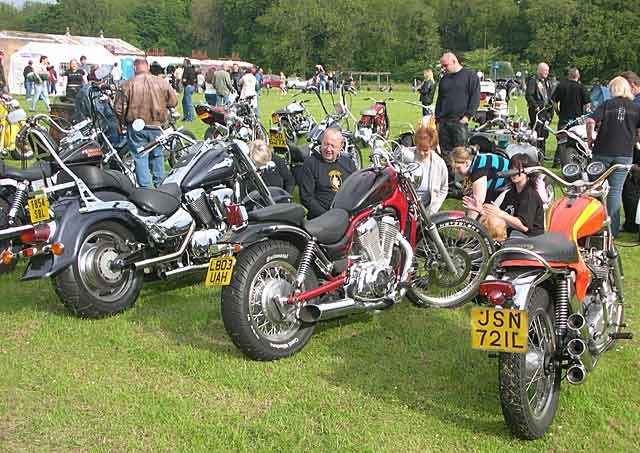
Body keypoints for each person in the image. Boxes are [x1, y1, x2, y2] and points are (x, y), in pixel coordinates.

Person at [586, 76, 640, 237]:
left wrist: (590, 139)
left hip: (602, 151)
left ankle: (592, 226)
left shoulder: (607, 105)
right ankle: (612, 231)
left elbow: (590, 121)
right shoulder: (635, 108)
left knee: (595, 188)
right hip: (624, 154)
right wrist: (635, 140)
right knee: (616, 191)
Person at [115, 58, 178, 188]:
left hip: (136, 126)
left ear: (134, 68)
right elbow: (173, 101)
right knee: (157, 155)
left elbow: (119, 109)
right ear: (148, 67)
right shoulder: (162, 83)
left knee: (140, 157)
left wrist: (121, 124)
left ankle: (145, 188)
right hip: (156, 124)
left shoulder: (127, 84)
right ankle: (160, 186)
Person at [465, 153, 544, 239]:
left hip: (528, 240)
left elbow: (524, 227)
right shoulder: (511, 193)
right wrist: (479, 209)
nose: (513, 172)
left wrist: (499, 213)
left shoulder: (529, 195)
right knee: (486, 221)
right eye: (511, 169)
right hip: (512, 236)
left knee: (493, 225)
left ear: (527, 172)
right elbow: (502, 215)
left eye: (517, 169)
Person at [299, 128, 356, 219]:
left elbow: (356, 191)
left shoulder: (349, 164)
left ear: (341, 146)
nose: (328, 149)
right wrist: (328, 217)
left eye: (333, 146)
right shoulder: (310, 164)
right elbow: (306, 198)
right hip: (321, 218)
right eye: (326, 144)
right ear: (321, 142)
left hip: (346, 216)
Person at [435, 52, 480, 158]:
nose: (444, 68)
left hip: (459, 121)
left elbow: (475, 98)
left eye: (445, 65)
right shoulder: (444, 79)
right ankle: (447, 175)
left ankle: (460, 175)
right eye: (442, 66)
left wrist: (467, 116)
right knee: (445, 154)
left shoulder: (470, 76)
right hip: (443, 123)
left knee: (460, 155)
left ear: (454, 61)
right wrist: (437, 120)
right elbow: (439, 100)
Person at [451, 146, 509, 220]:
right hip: (501, 183)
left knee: (484, 216)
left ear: (466, 163)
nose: (456, 172)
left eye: (458, 168)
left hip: (507, 187)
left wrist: (465, 227)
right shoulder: (476, 160)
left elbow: (477, 204)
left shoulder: (478, 171)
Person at [550, 67, 591, 168]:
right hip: (577, 120)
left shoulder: (561, 86)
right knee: (578, 141)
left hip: (564, 118)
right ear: (578, 76)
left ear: (568, 76)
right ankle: (576, 160)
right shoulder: (581, 87)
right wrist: (585, 114)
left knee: (561, 140)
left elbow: (554, 101)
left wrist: (557, 111)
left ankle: (557, 162)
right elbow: (588, 104)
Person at [411, 122, 448, 214]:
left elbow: (444, 188)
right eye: (418, 148)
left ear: (432, 147)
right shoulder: (406, 156)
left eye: (425, 150)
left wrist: (433, 209)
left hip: (426, 209)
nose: (421, 153)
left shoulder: (439, 163)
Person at [526, 62, 554, 160]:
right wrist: (535, 106)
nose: (547, 72)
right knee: (537, 132)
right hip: (537, 112)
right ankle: (536, 153)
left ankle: (543, 153)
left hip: (546, 111)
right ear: (540, 70)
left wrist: (551, 108)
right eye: (545, 70)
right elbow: (529, 95)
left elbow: (549, 95)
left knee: (544, 132)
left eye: (548, 70)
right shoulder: (533, 81)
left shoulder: (546, 81)